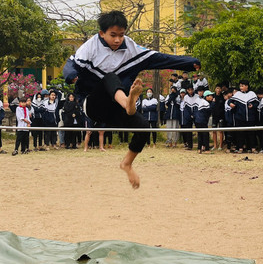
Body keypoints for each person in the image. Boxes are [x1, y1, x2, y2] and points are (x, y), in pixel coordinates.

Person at [63, 10, 199, 188]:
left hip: (114, 110)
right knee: (109, 78)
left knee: (143, 127)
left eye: (121, 35)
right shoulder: (90, 48)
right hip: (93, 104)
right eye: (113, 35)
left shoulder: (131, 48)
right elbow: (70, 64)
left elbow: (159, 58)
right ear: (101, 33)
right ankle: (129, 103)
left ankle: (127, 163)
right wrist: (71, 75)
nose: (118, 40)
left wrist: (189, 63)